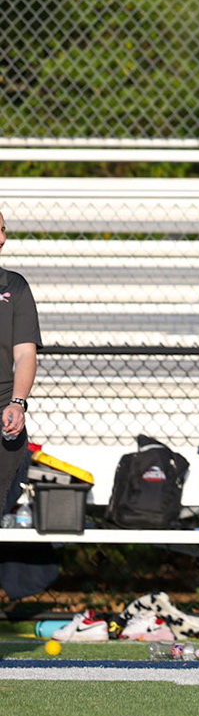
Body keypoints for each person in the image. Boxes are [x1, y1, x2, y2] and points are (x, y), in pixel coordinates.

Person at [0, 211, 40, 525]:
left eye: (2, 230)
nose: (1, 239)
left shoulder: (14, 286)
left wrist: (18, 402)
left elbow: (26, 353)